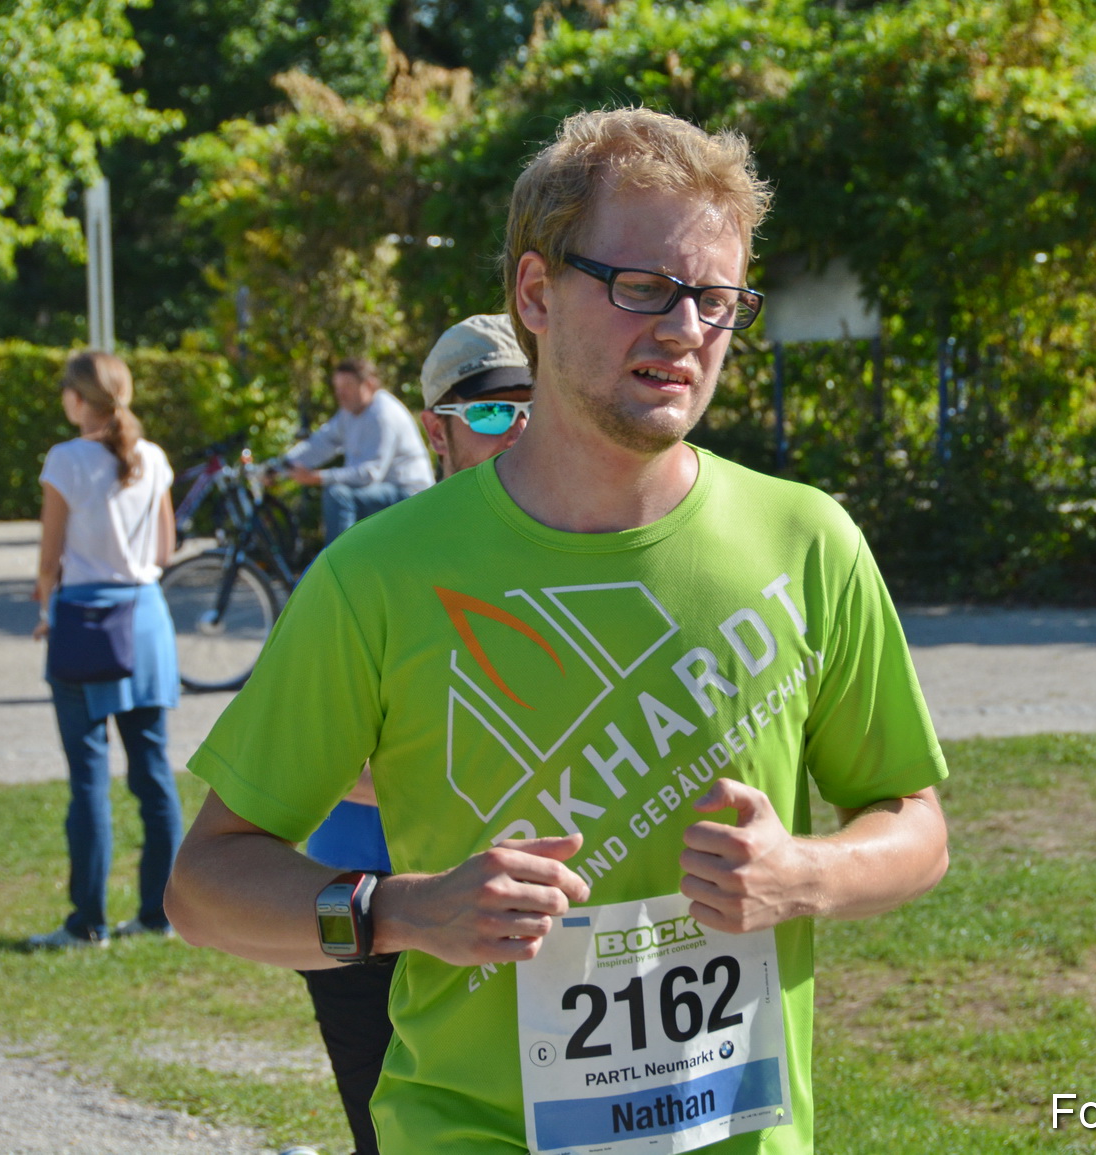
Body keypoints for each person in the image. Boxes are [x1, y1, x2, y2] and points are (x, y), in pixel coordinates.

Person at [166, 107, 949, 1155]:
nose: (683, 330)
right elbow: (205, 886)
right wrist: (399, 912)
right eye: (643, 288)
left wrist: (802, 874)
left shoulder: (806, 540)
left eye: (716, 300)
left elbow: (914, 823)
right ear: (535, 294)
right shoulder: (380, 576)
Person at [296, 313, 533, 1155]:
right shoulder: (374, 564)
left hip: (524, 911)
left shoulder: (588, 553)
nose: (522, 432)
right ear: (438, 430)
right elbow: (309, 757)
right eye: (496, 413)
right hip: (370, 905)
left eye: (541, 406)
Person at [30, 350, 182, 949]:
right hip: (145, 620)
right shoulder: (153, 457)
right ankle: (159, 913)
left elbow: (50, 556)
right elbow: (165, 549)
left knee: (88, 779)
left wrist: (45, 611)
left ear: (76, 399)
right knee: (153, 773)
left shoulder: (66, 460)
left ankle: (86, 920)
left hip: (87, 621)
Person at [282, 357, 436, 545]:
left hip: (411, 496)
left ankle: (340, 568)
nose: (340, 394)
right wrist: (280, 466)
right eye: (337, 387)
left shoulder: (383, 414)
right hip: (380, 492)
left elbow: (370, 474)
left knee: (337, 495)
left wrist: (318, 477)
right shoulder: (349, 413)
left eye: (347, 386)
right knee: (339, 493)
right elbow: (320, 444)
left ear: (369, 384)